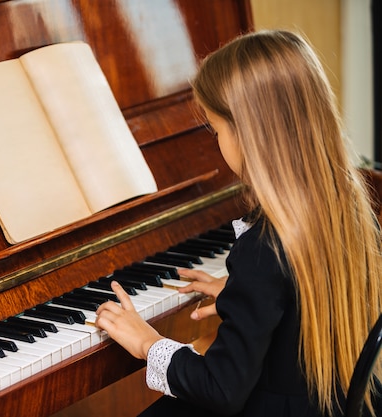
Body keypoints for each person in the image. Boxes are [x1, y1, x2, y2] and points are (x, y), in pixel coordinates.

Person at [94, 30, 382, 417]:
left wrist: (148, 342)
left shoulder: (264, 248)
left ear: (249, 134)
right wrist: (243, 294)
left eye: (216, 129)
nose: (216, 140)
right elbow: (300, 287)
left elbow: (221, 388)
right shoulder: (344, 206)